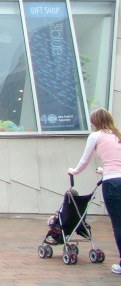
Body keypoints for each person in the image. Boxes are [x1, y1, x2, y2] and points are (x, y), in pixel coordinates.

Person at [68, 108, 121, 275]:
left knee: (118, 223)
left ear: (95, 122)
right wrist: (103, 170)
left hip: (112, 185)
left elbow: (85, 159)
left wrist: (73, 171)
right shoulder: (117, 135)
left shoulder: (95, 136)